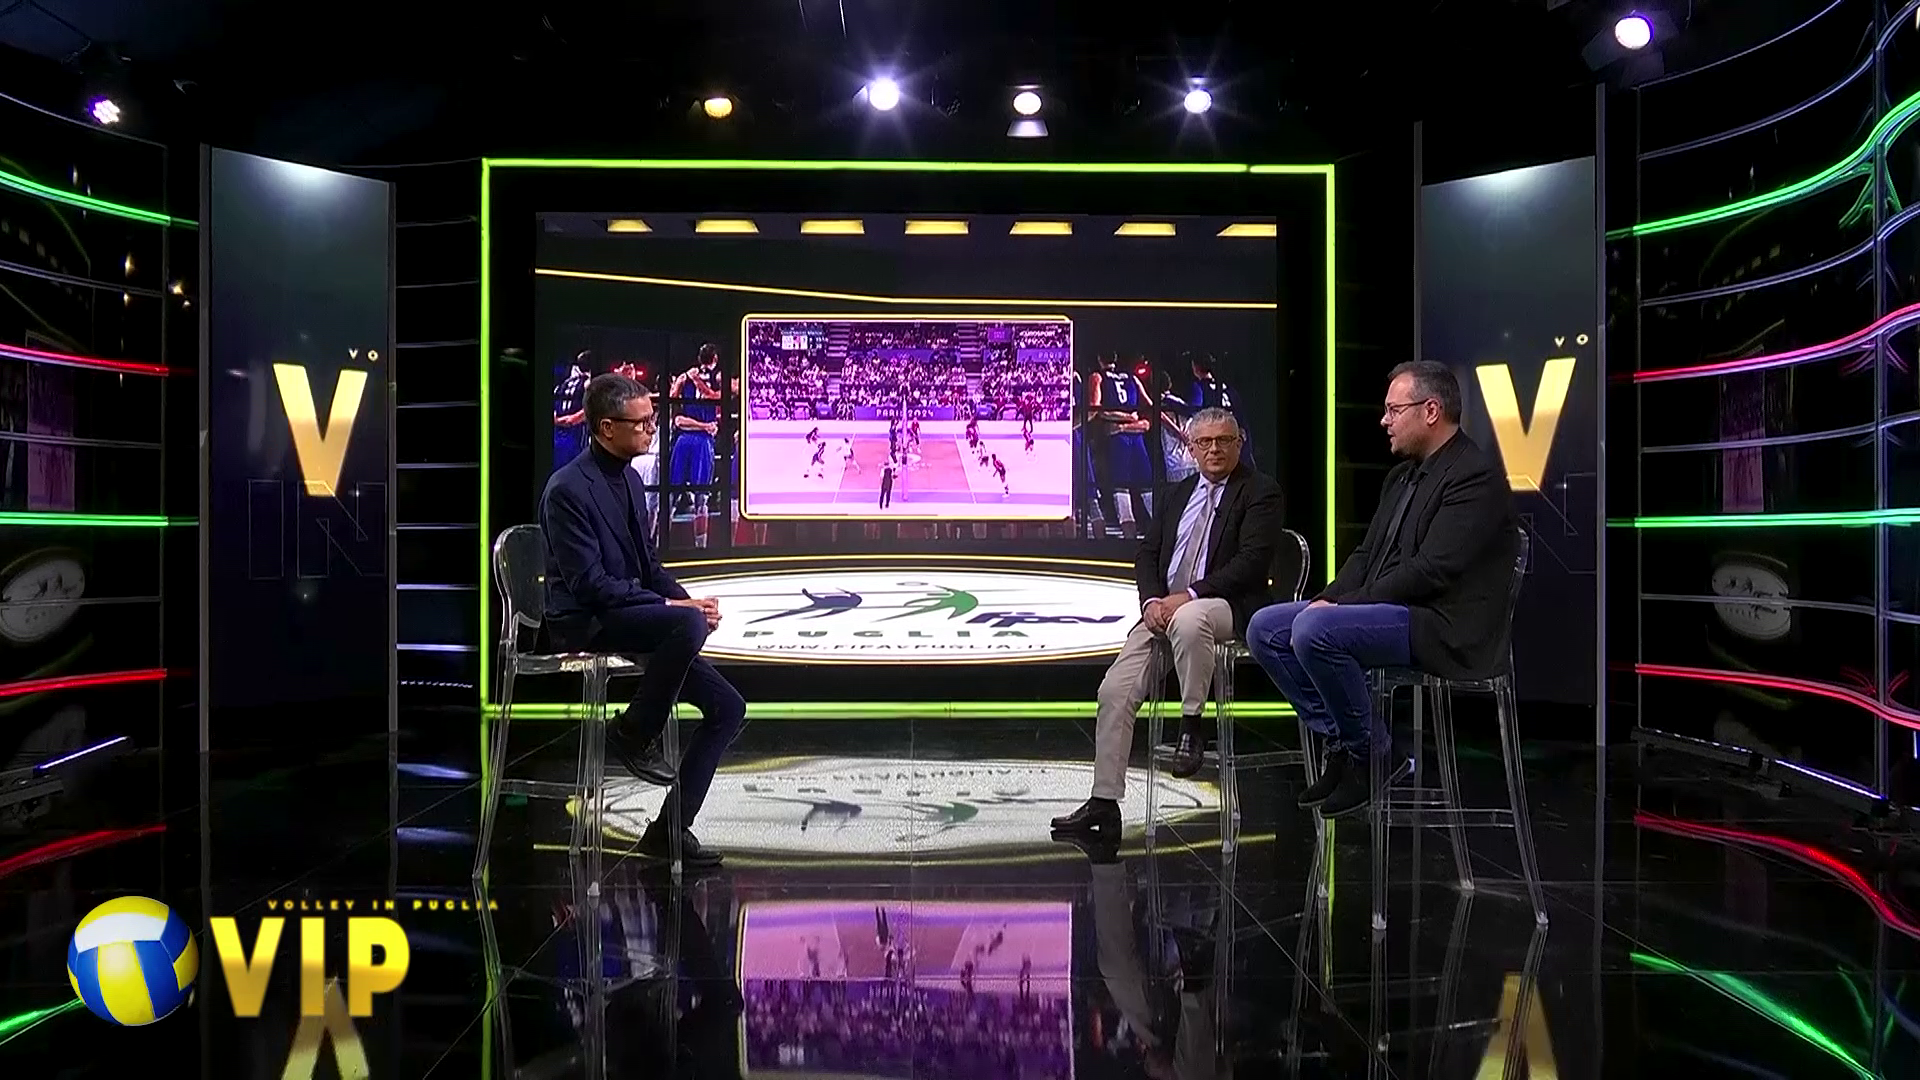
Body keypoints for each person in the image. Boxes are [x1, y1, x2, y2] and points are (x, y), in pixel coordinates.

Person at [1247, 361, 1518, 819]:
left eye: (1394, 410)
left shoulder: (1474, 476)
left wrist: (1341, 608)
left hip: (1442, 624)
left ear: (1430, 411)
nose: (1384, 420)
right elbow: (1366, 555)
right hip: (1395, 610)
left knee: (1316, 630)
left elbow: (1432, 572)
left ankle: (1372, 756)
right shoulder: (1402, 477)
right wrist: (1330, 596)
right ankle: (1348, 742)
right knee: (1265, 629)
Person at [540, 372, 748, 870]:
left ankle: (669, 831)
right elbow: (590, 586)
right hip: (586, 620)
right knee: (685, 626)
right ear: (606, 428)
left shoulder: (632, 480)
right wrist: (677, 613)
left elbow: (649, 569)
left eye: (652, 421)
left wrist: (688, 602)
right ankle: (634, 732)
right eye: (642, 423)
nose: (652, 430)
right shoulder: (567, 490)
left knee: (728, 707)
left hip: (626, 612)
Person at [1052, 408, 1285, 840]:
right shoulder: (1176, 494)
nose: (1214, 449)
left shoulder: (1260, 492)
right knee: (1114, 690)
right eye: (1205, 442)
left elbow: (1251, 564)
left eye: (1224, 440)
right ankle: (1104, 802)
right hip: (1165, 610)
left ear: (1239, 443)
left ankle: (1192, 724)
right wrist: (1152, 601)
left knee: (1192, 617)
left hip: (1228, 606)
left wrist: (1189, 595)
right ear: (1190, 448)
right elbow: (1147, 553)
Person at [669, 344, 723, 548]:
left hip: (685, 438)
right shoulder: (717, 378)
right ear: (715, 358)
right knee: (701, 498)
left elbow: (672, 400)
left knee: (673, 494)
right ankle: (701, 547)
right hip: (700, 439)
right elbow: (715, 397)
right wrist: (706, 425)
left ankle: (658, 543)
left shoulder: (686, 377)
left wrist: (688, 380)